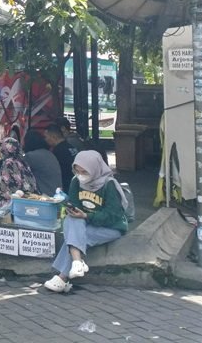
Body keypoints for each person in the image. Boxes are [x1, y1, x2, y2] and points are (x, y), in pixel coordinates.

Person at [43, 150, 128, 293]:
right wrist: (73, 210)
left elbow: (112, 215)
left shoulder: (109, 185)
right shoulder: (76, 182)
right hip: (85, 222)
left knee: (75, 237)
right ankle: (77, 262)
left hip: (111, 227)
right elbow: (75, 205)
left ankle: (63, 276)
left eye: (85, 172)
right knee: (71, 219)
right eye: (78, 171)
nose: (81, 175)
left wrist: (87, 216)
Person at [0, 137, 39, 205]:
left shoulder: (8, 163)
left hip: (17, 202)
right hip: (30, 198)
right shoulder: (23, 161)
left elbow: (5, 187)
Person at [23, 129, 63, 197]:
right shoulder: (49, 154)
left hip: (45, 196)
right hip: (57, 194)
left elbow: (16, 167)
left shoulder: (31, 156)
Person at [45, 123, 77, 192]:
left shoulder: (58, 151)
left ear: (53, 137)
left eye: (46, 137)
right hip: (75, 183)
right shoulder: (71, 146)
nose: (45, 140)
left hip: (66, 185)